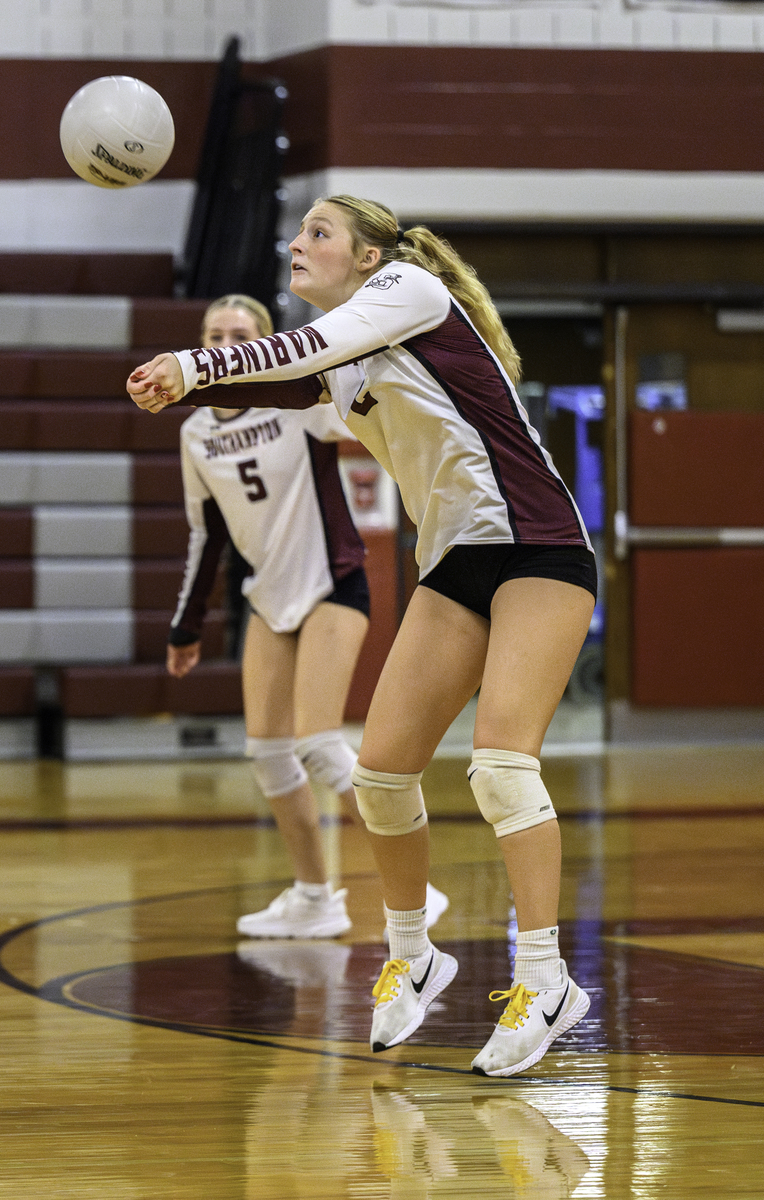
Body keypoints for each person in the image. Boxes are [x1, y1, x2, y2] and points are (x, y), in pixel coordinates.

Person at [128, 196, 596, 1078]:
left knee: (500, 765)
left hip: (538, 547)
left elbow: (293, 350)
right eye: (295, 234)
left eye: (317, 234)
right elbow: (283, 380)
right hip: (453, 563)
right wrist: (185, 384)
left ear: (371, 256)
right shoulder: (346, 357)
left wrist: (192, 363)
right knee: (379, 772)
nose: (296, 245)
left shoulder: (410, 291)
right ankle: (413, 953)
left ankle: (546, 977)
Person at [169, 295, 447, 940]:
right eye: (214, 333)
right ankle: (314, 897)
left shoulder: (301, 407)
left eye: (239, 335)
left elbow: (366, 412)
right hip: (268, 596)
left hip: (333, 584)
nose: (223, 343)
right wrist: (186, 627)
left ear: (262, 345)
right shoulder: (194, 431)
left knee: (319, 745)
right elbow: (205, 534)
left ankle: (417, 886)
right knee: (267, 754)